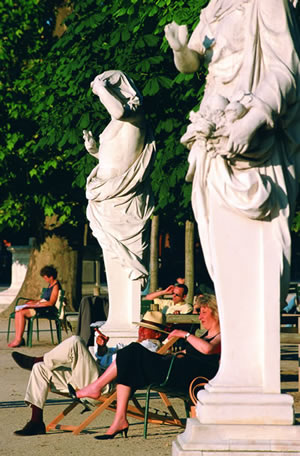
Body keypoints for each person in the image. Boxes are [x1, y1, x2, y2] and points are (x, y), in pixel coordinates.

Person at [75, 295, 220, 440]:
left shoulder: (222, 336)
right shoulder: (205, 336)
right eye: (199, 312)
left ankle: (96, 389)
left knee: (132, 351)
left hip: (185, 378)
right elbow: (192, 352)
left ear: (216, 312)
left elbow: (208, 350)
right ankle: (119, 419)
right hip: (175, 369)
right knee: (129, 358)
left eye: (204, 312)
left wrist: (185, 334)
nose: (200, 317)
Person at [11, 310, 168, 436]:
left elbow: (122, 366)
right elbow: (110, 358)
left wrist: (105, 354)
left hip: (104, 385)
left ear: (157, 334)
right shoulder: (136, 346)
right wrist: (103, 348)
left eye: (146, 329)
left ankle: (37, 359)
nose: (141, 331)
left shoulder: (149, 349)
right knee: (40, 369)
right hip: (92, 378)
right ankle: (36, 421)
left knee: (75, 342)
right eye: (141, 327)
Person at [8, 265, 61, 348]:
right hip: (41, 307)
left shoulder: (56, 286)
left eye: (45, 277)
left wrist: (36, 304)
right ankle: (19, 338)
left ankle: (18, 340)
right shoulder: (50, 285)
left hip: (47, 309)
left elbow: (51, 303)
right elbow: (44, 299)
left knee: (21, 313)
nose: (45, 279)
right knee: (18, 312)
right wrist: (33, 302)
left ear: (51, 277)